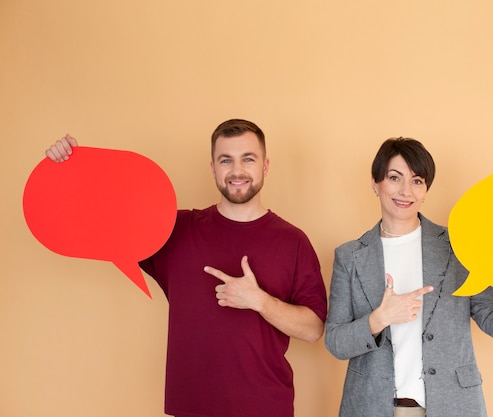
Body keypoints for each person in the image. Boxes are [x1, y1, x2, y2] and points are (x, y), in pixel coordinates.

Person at [45, 120, 328, 417]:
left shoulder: (293, 241)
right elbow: (101, 218)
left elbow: (313, 330)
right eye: (226, 160)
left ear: (265, 166)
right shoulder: (175, 229)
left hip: (264, 408)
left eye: (248, 158)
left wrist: (259, 301)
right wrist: (70, 167)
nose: (237, 171)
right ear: (213, 168)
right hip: (192, 409)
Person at [324, 137, 493, 417]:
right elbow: (335, 341)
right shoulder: (350, 256)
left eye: (417, 181)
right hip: (370, 406)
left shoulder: (456, 246)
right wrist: (380, 318)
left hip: (453, 405)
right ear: (376, 184)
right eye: (394, 178)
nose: (405, 191)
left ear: (426, 191)